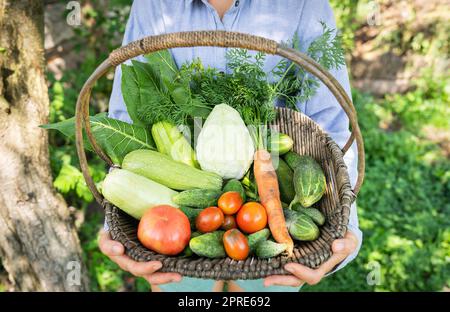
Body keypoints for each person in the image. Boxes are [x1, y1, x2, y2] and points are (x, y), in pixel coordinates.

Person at [100, 0, 362, 292]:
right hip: (170, 228)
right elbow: (126, 116)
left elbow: (332, 129)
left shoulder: (305, 5)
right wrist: (116, 222)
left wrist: (346, 224)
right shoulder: (153, 4)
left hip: (267, 198)